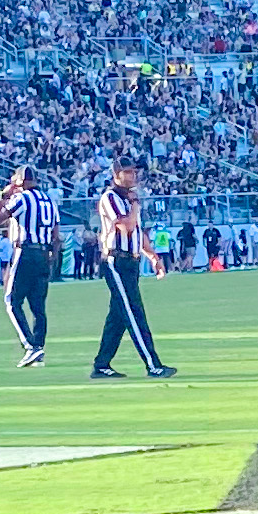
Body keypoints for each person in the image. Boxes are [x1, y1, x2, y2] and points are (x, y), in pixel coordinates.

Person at [88, 160, 176, 380]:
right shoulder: (111, 198)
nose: (132, 176)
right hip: (116, 261)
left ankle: (101, 364)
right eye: (127, 172)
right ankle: (153, 364)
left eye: (134, 172)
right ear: (116, 174)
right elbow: (126, 227)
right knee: (134, 313)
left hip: (132, 261)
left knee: (117, 317)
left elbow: (137, 232)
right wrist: (135, 205)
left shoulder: (128, 198)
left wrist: (153, 256)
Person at [0, 164, 59, 371]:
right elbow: (56, 236)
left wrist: (3, 196)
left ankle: (30, 346)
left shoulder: (21, 199)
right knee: (38, 307)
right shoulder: (49, 200)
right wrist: (51, 258)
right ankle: (38, 350)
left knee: (12, 301)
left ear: (20, 181)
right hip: (43, 253)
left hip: (25, 252)